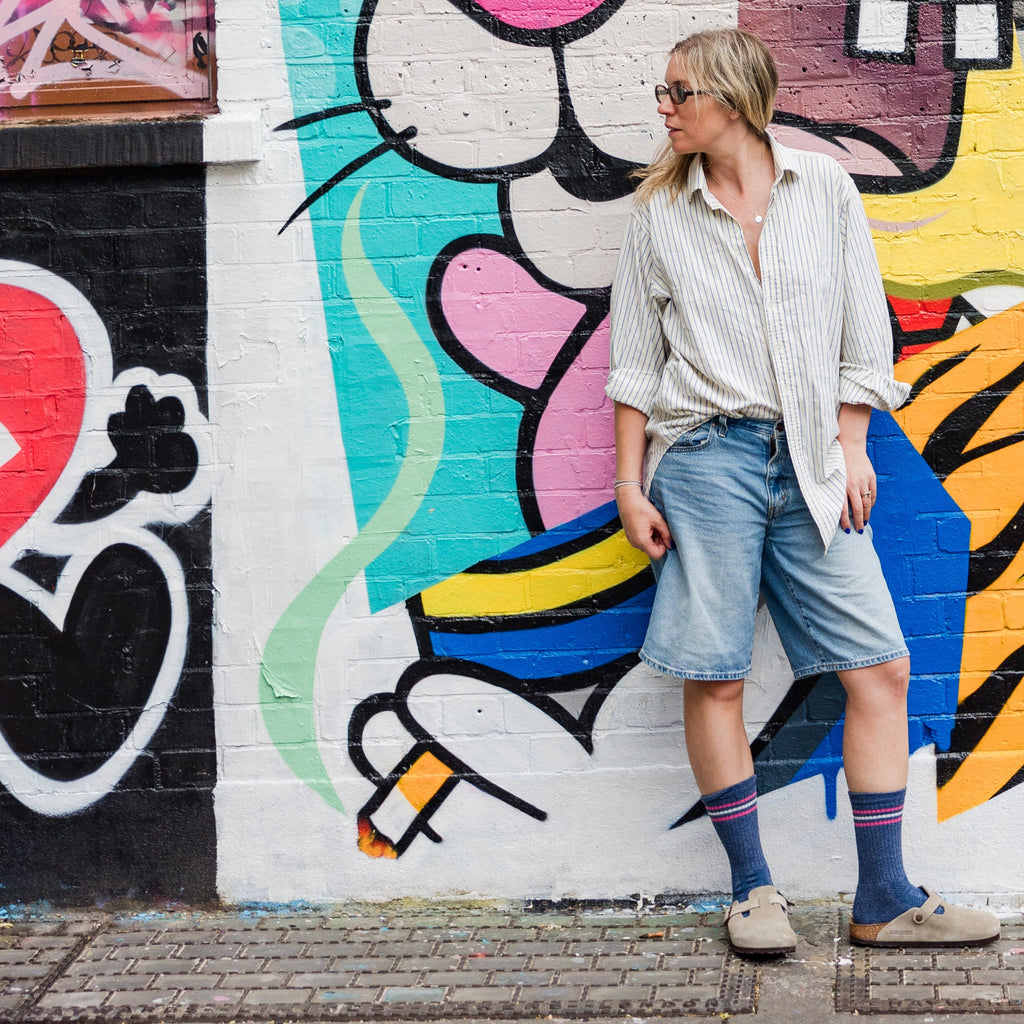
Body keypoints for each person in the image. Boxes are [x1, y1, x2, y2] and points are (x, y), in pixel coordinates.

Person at [606, 26, 1000, 956]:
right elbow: (632, 368)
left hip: (814, 462)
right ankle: (754, 892)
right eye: (663, 92)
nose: (663, 109)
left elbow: (867, 328)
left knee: (880, 667)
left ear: (732, 98)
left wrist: (853, 442)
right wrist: (630, 485)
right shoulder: (660, 215)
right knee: (717, 675)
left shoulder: (823, 188)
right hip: (705, 462)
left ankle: (885, 897)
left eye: (677, 93)